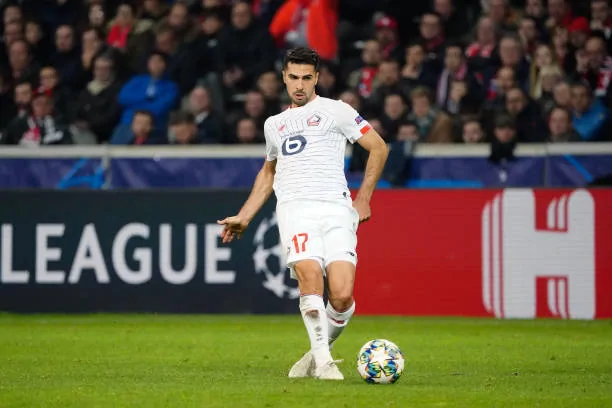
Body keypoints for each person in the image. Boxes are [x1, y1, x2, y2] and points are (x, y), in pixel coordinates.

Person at [217, 47, 389, 380]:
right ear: (284, 77)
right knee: (309, 274)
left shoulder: (337, 111)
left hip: (337, 209)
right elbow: (269, 172)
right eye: (293, 77)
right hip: (296, 209)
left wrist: (364, 198)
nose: (299, 85)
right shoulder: (274, 124)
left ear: (317, 78)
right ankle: (324, 363)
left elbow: (378, 147)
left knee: (341, 296)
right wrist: (245, 215)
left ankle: (314, 355)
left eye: (306, 78)